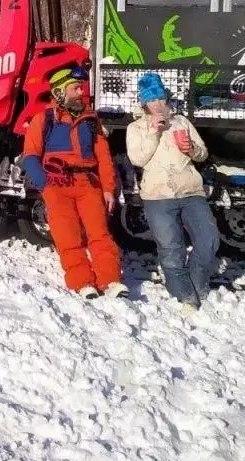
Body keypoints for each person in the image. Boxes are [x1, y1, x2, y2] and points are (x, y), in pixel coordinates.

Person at [22, 65, 129, 300]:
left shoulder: (91, 121)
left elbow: (103, 157)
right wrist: (46, 187)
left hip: (87, 184)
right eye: (75, 88)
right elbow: (29, 157)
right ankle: (83, 282)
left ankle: (110, 280)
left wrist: (109, 189)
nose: (81, 93)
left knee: (100, 234)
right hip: (57, 185)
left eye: (80, 88)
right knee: (68, 237)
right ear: (60, 92)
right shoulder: (43, 120)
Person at [125, 72, 219, 312]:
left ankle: (197, 282)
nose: (158, 104)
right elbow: (138, 159)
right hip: (158, 196)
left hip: (190, 190)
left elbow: (203, 153)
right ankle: (185, 294)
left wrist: (192, 149)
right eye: (152, 100)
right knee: (171, 249)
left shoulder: (181, 122)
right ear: (143, 103)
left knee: (208, 240)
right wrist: (154, 132)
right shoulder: (135, 128)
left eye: (161, 98)